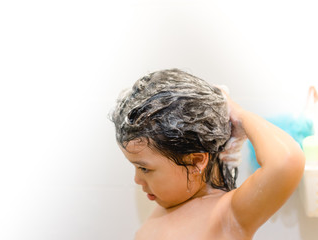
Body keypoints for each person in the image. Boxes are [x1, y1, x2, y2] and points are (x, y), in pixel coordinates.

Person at [110, 69, 305, 240]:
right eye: (135, 167)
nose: (137, 179)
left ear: (195, 162)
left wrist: (238, 114)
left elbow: (286, 161)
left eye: (144, 168)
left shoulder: (228, 214)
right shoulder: (163, 209)